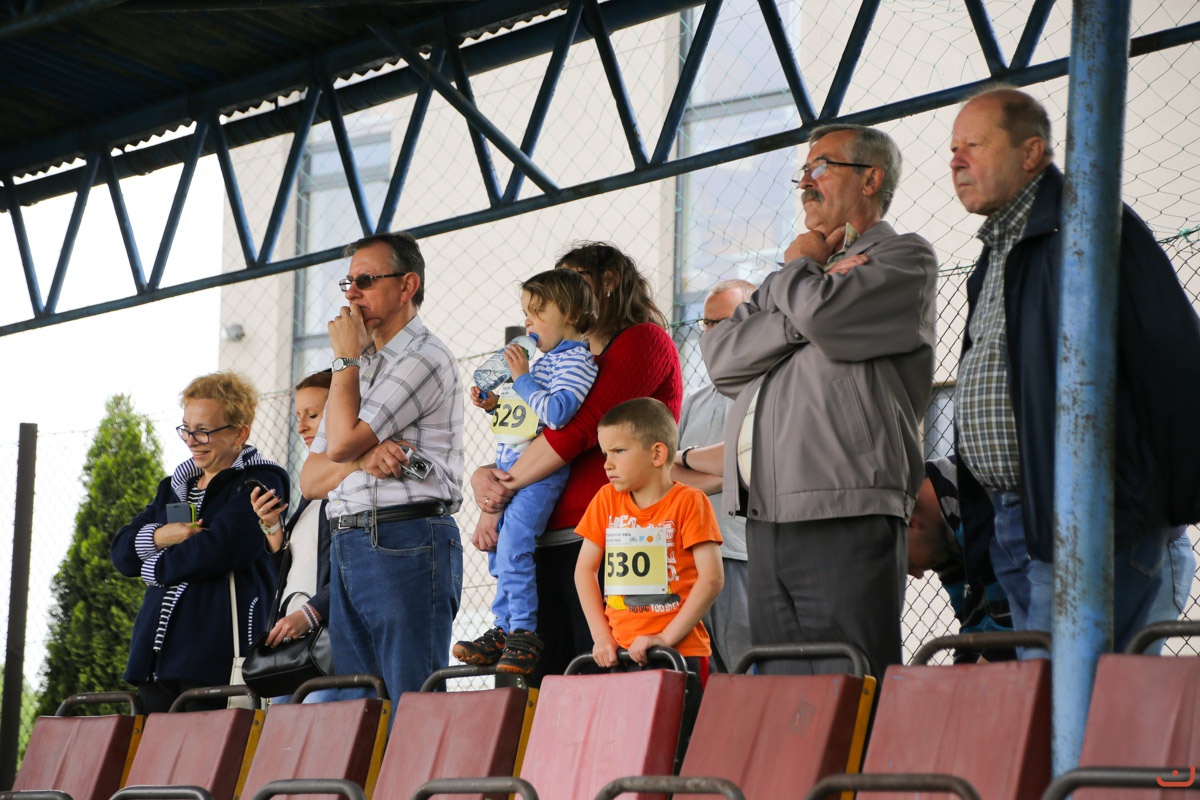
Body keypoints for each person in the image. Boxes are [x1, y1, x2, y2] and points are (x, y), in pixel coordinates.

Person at [948, 87, 1198, 656]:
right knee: (1052, 692)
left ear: (1031, 152)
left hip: (1087, 519)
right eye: (953, 149)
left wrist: (1161, 500)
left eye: (974, 145)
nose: (956, 161)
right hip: (1017, 522)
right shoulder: (999, 251)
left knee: (1075, 694)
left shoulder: (1086, 229)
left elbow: (1172, 358)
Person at [702, 123, 937, 677]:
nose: (805, 181)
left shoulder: (903, 256)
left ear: (871, 179)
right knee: (785, 695)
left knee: (854, 683)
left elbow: (828, 318)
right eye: (803, 171)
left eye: (821, 167)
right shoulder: (796, 275)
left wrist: (802, 285)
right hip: (767, 512)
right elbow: (722, 357)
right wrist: (803, 301)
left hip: (846, 503)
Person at [470, 241, 683, 685]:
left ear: (609, 282)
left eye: (575, 279)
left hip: (612, 537)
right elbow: (527, 433)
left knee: (608, 676)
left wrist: (498, 492)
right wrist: (485, 475)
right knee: (541, 682)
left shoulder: (643, 341)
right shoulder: (556, 362)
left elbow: (575, 431)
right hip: (547, 533)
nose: (564, 291)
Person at [299, 231, 464, 705]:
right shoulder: (360, 365)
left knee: (411, 701)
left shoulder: (423, 357)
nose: (352, 293)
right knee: (361, 705)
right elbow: (311, 480)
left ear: (407, 285)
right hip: (351, 540)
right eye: (348, 282)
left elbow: (339, 444)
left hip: (404, 537)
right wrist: (361, 459)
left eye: (366, 281)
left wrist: (344, 360)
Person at [112, 371, 289, 713]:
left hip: (213, 655)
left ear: (240, 433)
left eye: (203, 430)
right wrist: (165, 535)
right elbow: (122, 554)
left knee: (210, 746)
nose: (191, 441)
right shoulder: (173, 486)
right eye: (186, 429)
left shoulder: (261, 480)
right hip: (154, 660)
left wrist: (153, 567)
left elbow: (222, 548)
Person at [455, 270, 599, 674]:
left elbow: (556, 413)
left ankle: (523, 631)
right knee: (499, 547)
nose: (528, 322)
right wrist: (495, 405)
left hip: (539, 475)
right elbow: (525, 418)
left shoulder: (577, 360)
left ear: (570, 314)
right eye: (525, 313)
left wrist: (521, 378)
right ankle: (503, 626)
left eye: (537, 313)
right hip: (511, 465)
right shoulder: (544, 360)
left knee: (515, 544)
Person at [575, 398, 724, 672]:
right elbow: (584, 570)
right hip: (621, 653)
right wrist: (601, 637)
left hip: (680, 653)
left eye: (618, 451)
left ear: (657, 454)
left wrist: (665, 638)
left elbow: (712, 578)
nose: (607, 464)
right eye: (605, 454)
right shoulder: (605, 500)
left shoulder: (690, 501)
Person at [250, 370, 352, 703]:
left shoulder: (353, 489)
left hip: (325, 640)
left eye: (313, 415)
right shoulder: (311, 493)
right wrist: (272, 525)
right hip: (295, 642)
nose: (302, 427)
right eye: (298, 416)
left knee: (312, 722)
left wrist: (311, 612)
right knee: (284, 728)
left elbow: (355, 568)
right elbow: (291, 568)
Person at [672, 278, 756, 673]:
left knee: (747, 678)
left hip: (743, 555)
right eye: (706, 323)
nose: (711, 332)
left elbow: (754, 464)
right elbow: (667, 476)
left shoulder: (770, 390)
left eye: (723, 322)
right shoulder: (695, 401)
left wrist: (688, 459)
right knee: (702, 681)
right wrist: (726, 473)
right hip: (690, 559)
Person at [908, 455, 1015, 664]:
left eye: (908, 564)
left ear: (911, 523)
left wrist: (970, 679)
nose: (918, 575)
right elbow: (974, 622)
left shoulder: (969, 504)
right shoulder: (937, 535)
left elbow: (1010, 624)